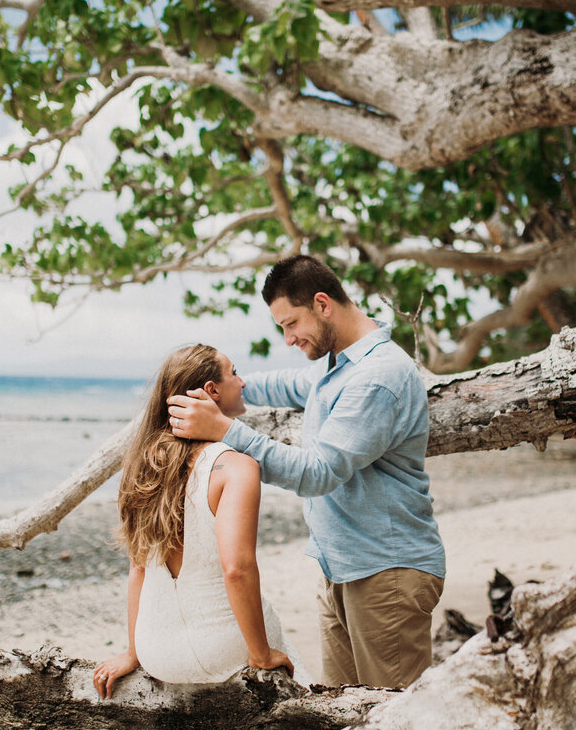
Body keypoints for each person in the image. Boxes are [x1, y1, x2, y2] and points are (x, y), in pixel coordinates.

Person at [166, 255, 445, 689]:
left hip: (387, 573)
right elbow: (285, 384)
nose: (289, 338)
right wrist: (223, 390)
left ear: (322, 303)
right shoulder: (337, 364)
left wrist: (225, 429)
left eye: (291, 324)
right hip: (341, 568)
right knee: (343, 721)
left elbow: (318, 473)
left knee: (396, 727)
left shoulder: (377, 376)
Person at [93, 344, 299, 699]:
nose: (243, 382)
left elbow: (138, 569)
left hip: (156, 651)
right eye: (234, 372)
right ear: (211, 391)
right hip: (224, 650)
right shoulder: (236, 466)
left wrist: (133, 652)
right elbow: (237, 568)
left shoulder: (144, 468)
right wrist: (262, 655)